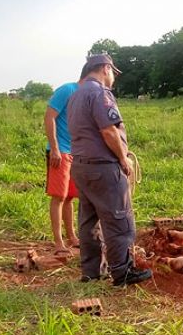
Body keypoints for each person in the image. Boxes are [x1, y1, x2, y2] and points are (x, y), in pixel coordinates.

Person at [67, 54, 152, 286]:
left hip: (81, 167)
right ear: (105, 68)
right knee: (119, 219)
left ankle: (90, 271)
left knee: (88, 220)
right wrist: (123, 157)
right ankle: (122, 272)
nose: (113, 78)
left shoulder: (75, 96)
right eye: (113, 72)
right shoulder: (100, 94)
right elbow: (108, 131)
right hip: (103, 168)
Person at [44, 67, 87, 255]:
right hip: (60, 152)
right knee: (59, 196)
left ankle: (72, 237)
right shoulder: (67, 90)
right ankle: (58, 242)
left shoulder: (88, 96)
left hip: (75, 152)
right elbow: (49, 117)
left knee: (70, 197)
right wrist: (54, 148)